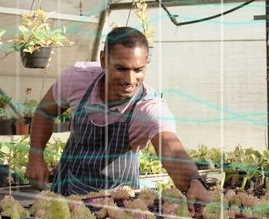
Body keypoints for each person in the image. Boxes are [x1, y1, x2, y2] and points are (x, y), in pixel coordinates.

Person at [26, 27, 210, 209]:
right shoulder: (77, 79)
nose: (130, 79)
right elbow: (45, 111)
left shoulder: (149, 107)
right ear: (104, 60)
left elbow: (171, 148)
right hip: (66, 190)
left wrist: (194, 181)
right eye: (121, 68)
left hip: (117, 204)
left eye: (138, 69)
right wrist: (35, 154)